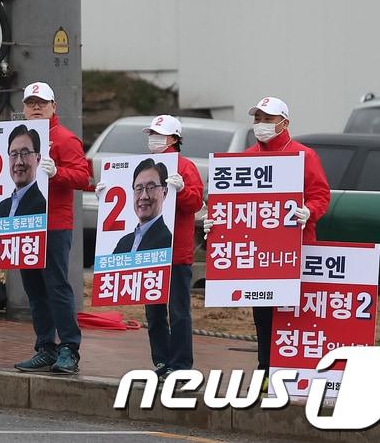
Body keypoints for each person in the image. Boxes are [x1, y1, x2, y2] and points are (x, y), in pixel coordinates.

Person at [205, 97, 330, 375]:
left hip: (296, 248)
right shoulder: (247, 157)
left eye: (268, 119)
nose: (261, 124)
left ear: (284, 123)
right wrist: (217, 223)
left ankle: (294, 369)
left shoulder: (303, 155)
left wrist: (308, 211)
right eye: (257, 119)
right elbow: (234, 205)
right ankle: (265, 370)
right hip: (258, 254)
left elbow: (320, 194)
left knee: (293, 313)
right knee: (262, 313)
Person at [0, 82, 90, 374]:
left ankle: (69, 348)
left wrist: (58, 172)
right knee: (34, 289)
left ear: (54, 107)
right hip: (22, 226)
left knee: (56, 285)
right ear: (23, 108)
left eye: (42, 102)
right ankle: (45, 347)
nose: (36, 107)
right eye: (31, 103)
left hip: (53, 224)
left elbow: (82, 178)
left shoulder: (64, 139)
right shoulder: (13, 139)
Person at [95, 115, 202, 379]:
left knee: (178, 311)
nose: (153, 139)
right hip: (147, 258)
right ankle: (162, 361)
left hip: (176, 254)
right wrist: (105, 197)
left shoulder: (185, 167)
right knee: (153, 312)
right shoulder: (125, 241)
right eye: (151, 134)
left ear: (175, 139)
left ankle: (180, 365)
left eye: (160, 134)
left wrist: (183, 190)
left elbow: (196, 203)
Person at [111, 158, 173, 253]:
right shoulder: (124, 243)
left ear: (164, 192)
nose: (144, 196)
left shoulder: (167, 241)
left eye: (151, 187)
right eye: (139, 189)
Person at [0, 124, 47, 218]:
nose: (18, 162)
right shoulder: (2, 207)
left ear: (38, 158)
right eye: (14, 154)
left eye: (25, 153)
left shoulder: (41, 205)